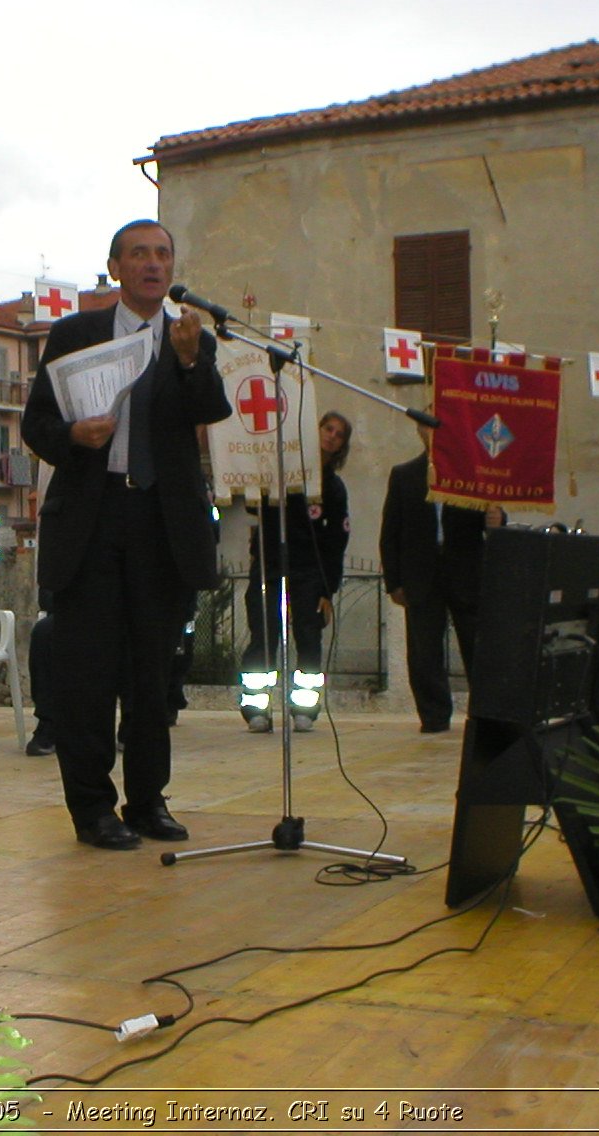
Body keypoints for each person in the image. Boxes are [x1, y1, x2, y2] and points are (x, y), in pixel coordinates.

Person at [20, 218, 232, 850]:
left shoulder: (190, 338)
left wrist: (193, 362)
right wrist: (72, 439)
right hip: (93, 517)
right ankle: (92, 809)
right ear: (115, 267)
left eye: (162, 254)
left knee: (151, 677)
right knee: (87, 675)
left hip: (161, 524)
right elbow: (36, 425)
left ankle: (148, 801)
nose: (152, 264)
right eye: (138, 253)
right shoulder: (75, 333)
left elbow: (209, 410)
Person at [377, 428, 505, 733]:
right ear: (419, 431)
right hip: (421, 576)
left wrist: (498, 521)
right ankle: (434, 716)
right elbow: (390, 532)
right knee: (424, 652)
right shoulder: (404, 475)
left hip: (465, 573)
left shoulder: (472, 472)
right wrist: (393, 582)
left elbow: (492, 523)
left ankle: (486, 714)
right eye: (426, 425)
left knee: (477, 646)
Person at [239, 411, 352, 733]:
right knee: (262, 639)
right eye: (327, 428)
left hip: (308, 575)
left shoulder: (332, 487)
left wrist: (328, 589)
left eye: (339, 433)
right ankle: (256, 709)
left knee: (308, 641)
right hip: (269, 568)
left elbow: (336, 540)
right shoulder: (279, 473)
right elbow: (251, 503)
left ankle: (305, 709)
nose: (331, 436)